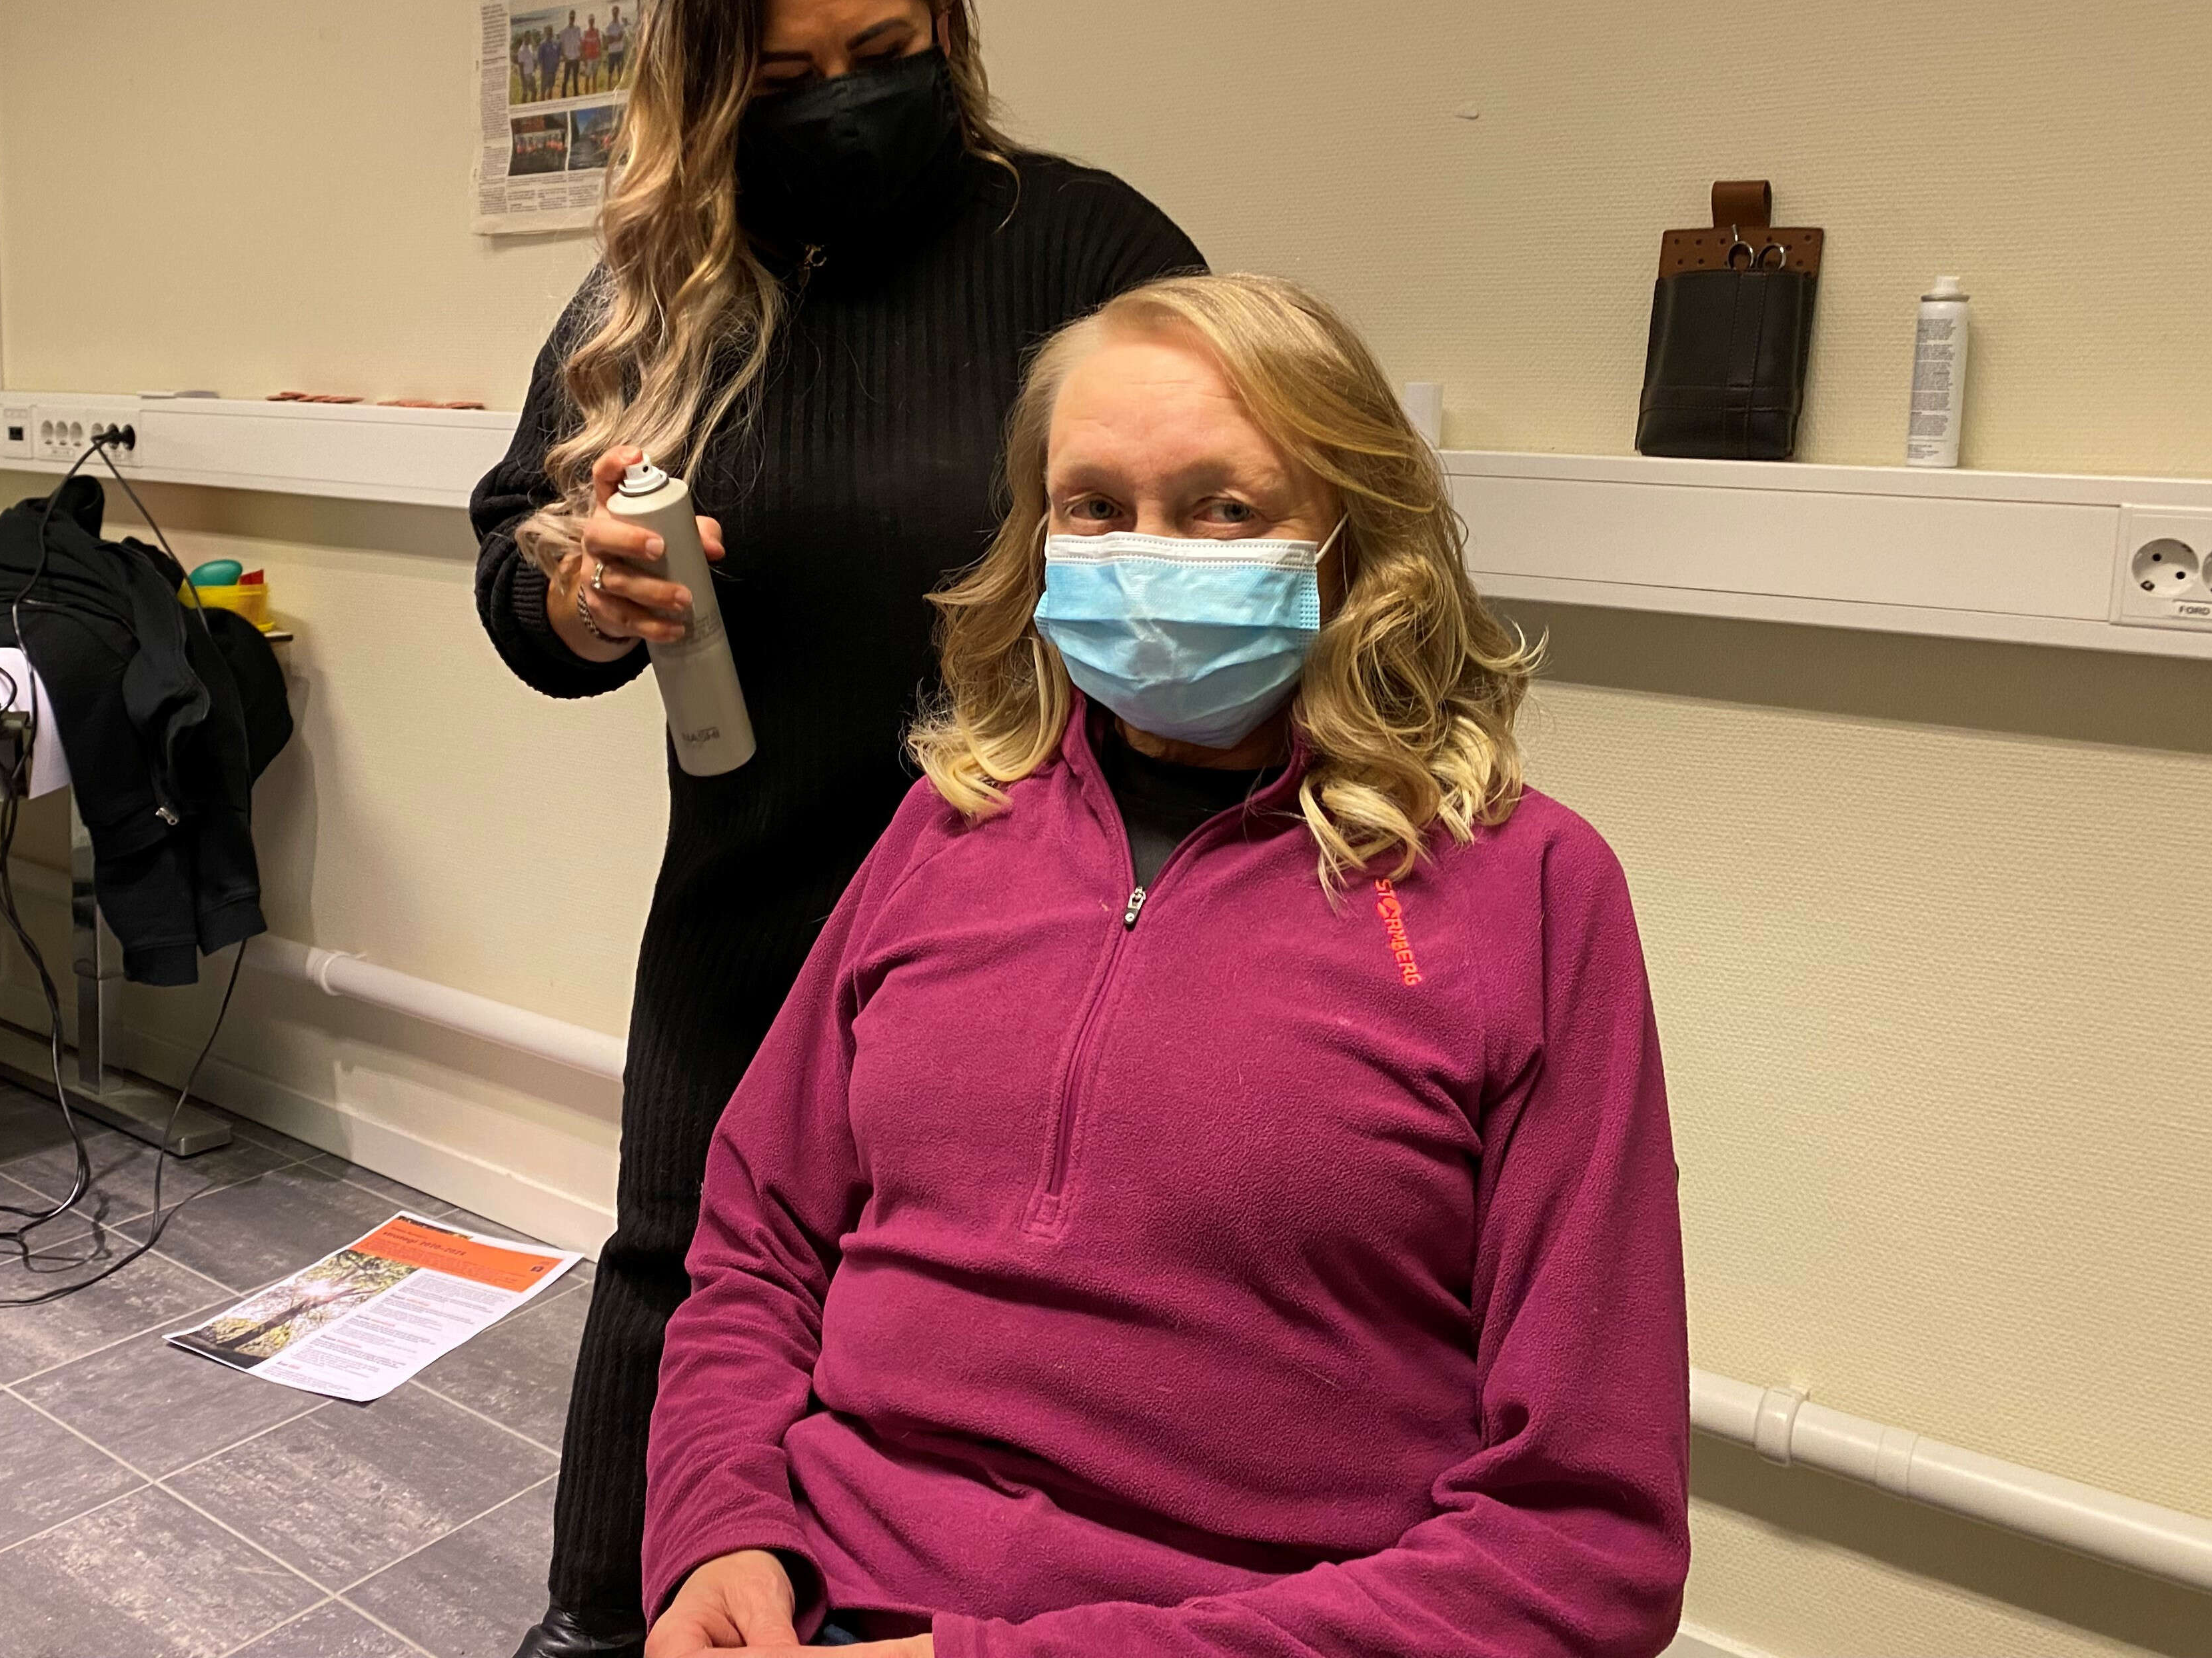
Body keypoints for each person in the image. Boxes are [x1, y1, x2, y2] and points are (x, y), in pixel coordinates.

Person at [642, 273, 1690, 1658]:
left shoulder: (1530, 892)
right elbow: (756, 1245)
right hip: (819, 1600)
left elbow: (1585, 1546)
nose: (1146, 556)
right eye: (1093, 506)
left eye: (1224, 509)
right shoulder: (948, 826)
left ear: (1355, 542)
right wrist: (718, 1530)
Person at [470, 0, 1202, 1658]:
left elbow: (1225, 516)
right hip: (756, 899)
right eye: (790, 79)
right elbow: (514, 553)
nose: (848, 106)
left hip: (1033, 919)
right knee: (683, 1281)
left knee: (976, 1341)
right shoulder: (666, 289)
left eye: (884, 54)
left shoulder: (1085, 248)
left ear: (945, 18)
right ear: (717, 80)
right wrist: (576, 594)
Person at [558, 9, 584, 96]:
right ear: (569, 18)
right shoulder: (564, 32)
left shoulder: (578, 29)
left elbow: (580, 42)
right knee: (566, 79)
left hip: (576, 58)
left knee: (575, 79)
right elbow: (562, 46)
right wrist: (564, 56)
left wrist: (581, 54)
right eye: (571, 17)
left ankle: (576, 94)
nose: (572, 19)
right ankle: (563, 96)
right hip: (568, 59)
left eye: (573, 17)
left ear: (575, 18)